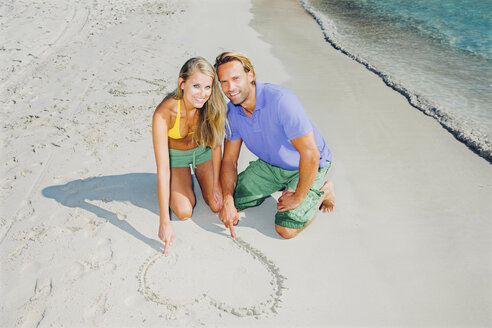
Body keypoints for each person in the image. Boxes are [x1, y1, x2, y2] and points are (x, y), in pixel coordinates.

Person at [214, 51, 335, 239]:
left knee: (286, 230)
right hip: (271, 165)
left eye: (236, 78)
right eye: (224, 81)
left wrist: (298, 197)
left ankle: (322, 191)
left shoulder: (281, 101)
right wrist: (228, 201)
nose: (230, 87)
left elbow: (311, 154)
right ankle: (281, 185)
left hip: (307, 165)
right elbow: (229, 161)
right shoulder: (231, 112)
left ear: (250, 75)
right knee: (226, 199)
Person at [152, 57, 227, 254]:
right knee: (184, 211)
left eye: (207, 87)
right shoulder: (164, 113)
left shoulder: (211, 106)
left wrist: (217, 184)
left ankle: (202, 180)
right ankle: (182, 182)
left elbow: (216, 146)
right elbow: (162, 169)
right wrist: (164, 222)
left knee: (217, 205)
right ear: (182, 83)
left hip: (203, 154)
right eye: (196, 86)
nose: (202, 94)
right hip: (175, 159)